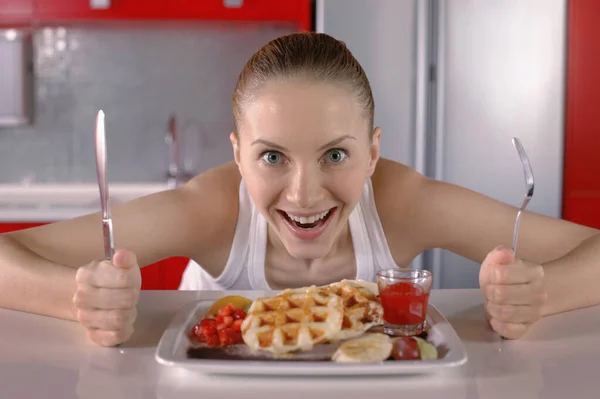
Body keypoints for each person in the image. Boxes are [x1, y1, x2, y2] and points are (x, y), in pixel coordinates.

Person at [0, 33, 598, 347]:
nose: (305, 193)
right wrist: (74, 298)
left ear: (373, 152)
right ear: (237, 155)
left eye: (335, 153)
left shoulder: (404, 203)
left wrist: (544, 294)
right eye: (272, 157)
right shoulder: (210, 211)